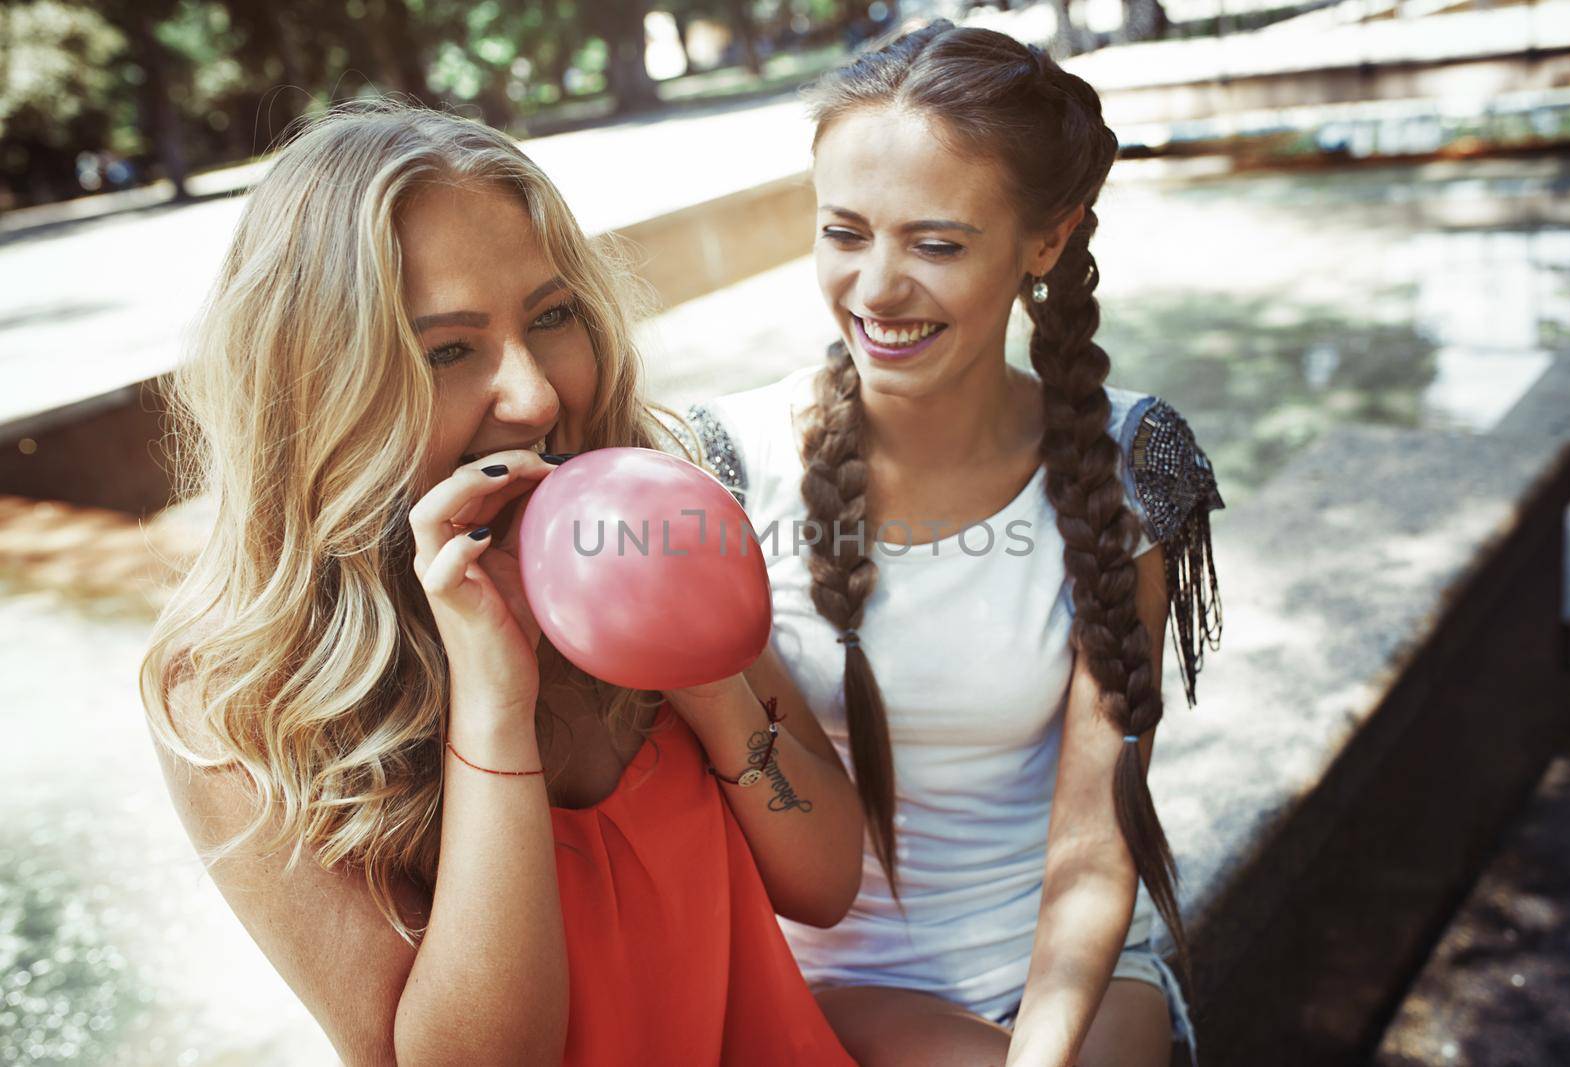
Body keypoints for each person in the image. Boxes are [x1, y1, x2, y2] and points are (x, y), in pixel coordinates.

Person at [136, 100, 863, 1066]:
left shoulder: (645, 525)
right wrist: (491, 700)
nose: (537, 397)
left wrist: (691, 658)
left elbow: (824, 881)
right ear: (319, 387)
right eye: (447, 350)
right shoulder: (232, 692)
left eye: (552, 316)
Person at [685, 20, 1225, 1067]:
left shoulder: (1129, 458)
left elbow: (1094, 839)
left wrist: (1038, 1049)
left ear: (1047, 240)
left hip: (1073, 962)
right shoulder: (721, 468)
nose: (877, 288)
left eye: (934, 243)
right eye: (844, 233)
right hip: (824, 978)